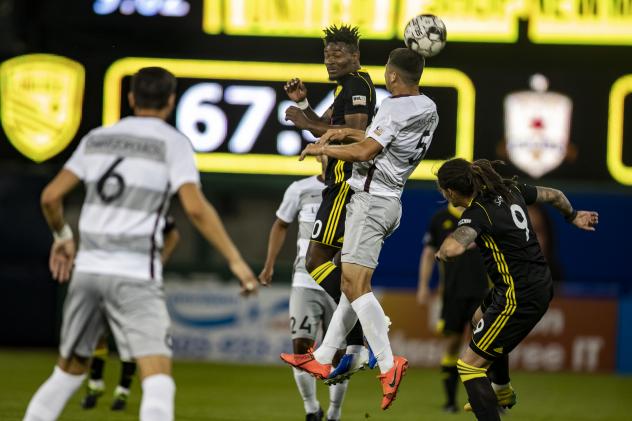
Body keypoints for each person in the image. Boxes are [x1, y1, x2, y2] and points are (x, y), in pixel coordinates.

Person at [24, 67, 259, 421]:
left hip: (86, 271)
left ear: (132, 98)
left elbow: (50, 197)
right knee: (158, 380)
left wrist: (63, 237)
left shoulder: (97, 138)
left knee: (67, 374)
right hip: (134, 274)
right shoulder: (173, 142)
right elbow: (195, 208)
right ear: (170, 101)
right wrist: (235, 260)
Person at [282, 47, 439, 411]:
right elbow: (371, 139)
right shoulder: (428, 108)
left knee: (353, 286)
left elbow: (366, 151)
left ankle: (387, 362)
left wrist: (321, 147)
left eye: (387, 70)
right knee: (352, 284)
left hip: (370, 202)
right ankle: (323, 355)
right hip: (390, 200)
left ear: (394, 76)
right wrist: (337, 136)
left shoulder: (393, 106)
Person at [434, 158, 598, 421]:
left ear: (451, 191)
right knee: (478, 319)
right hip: (534, 282)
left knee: (468, 367)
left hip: (518, 295)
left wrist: (442, 251)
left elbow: (454, 248)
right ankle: (501, 389)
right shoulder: (509, 189)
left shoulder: (476, 213)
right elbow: (555, 195)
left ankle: (498, 395)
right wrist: (573, 216)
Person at [284, 24, 376, 370]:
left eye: (338, 54)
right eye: (327, 55)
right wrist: (302, 105)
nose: (331, 61)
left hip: (345, 183)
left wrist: (299, 118)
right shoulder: (347, 88)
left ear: (355, 57)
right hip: (339, 184)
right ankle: (356, 344)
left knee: (315, 261)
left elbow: (354, 136)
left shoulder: (356, 85)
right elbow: (318, 125)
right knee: (338, 269)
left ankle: (364, 329)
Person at [259, 158, 348, 421]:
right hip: (304, 279)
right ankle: (311, 409)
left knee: (340, 354)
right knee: (300, 347)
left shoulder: (352, 190)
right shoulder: (300, 189)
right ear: (321, 155)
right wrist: (269, 265)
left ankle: (334, 412)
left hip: (338, 282)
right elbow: (280, 224)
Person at [80, 215, 180, 411]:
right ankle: (95, 383)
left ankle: (122, 391)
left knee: (129, 341)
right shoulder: (114, 209)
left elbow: (173, 234)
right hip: (104, 276)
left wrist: (162, 258)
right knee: (97, 333)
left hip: (136, 282)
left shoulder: (151, 208)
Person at [417, 205, 489, 413]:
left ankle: (492, 399)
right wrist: (423, 286)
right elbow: (429, 253)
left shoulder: (481, 215)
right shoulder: (440, 219)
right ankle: (450, 402)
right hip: (452, 293)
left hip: (483, 293)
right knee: (452, 344)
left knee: (485, 346)